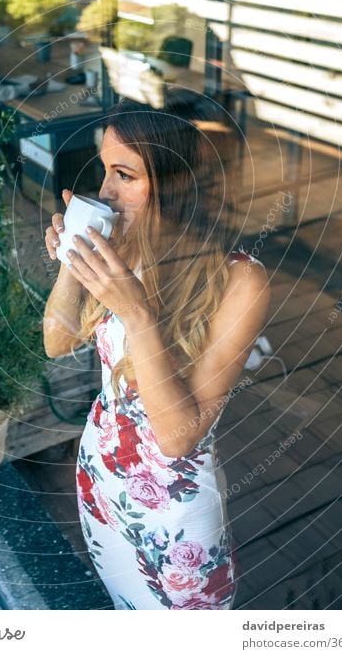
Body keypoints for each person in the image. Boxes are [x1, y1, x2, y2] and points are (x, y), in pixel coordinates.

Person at [43, 99, 271, 610]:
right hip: (100, 475)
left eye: (125, 175)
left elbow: (177, 438)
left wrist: (138, 313)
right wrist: (70, 258)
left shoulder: (239, 280)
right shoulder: (121, 244)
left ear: (176, 183)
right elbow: (57, 343)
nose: (104, 192)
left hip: (175, 517)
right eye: (105, 172)